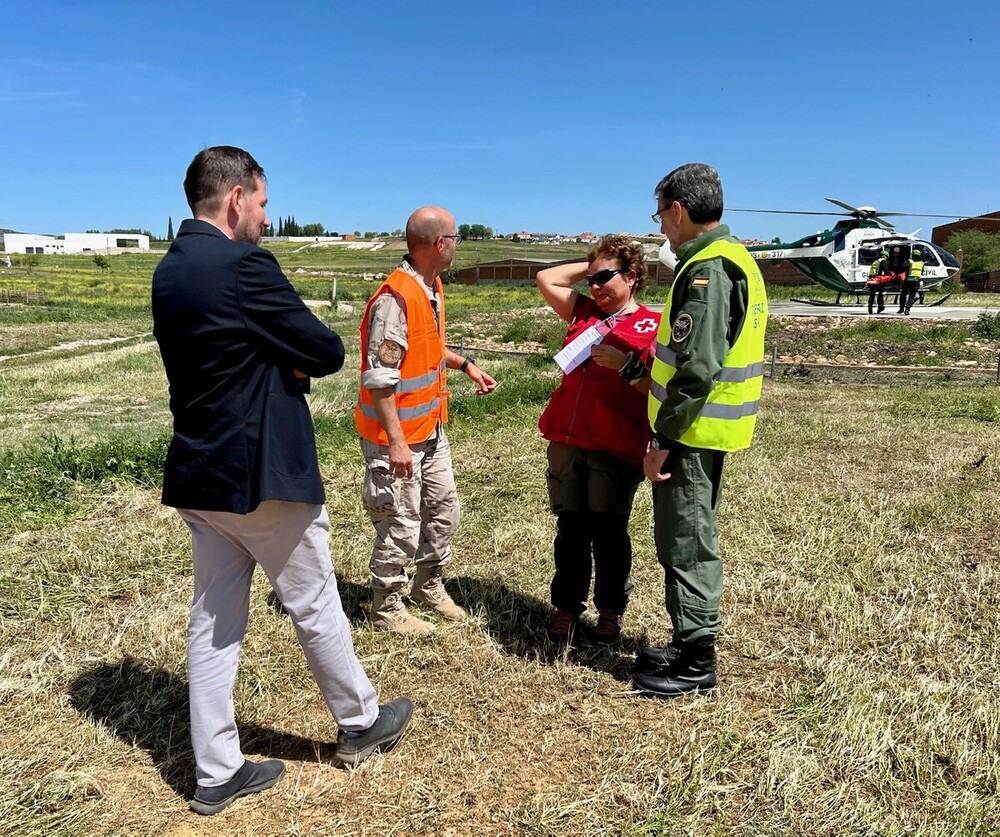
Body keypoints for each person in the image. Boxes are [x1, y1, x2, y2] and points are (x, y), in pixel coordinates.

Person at [152, 146, 412, 815]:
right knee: (315, 602)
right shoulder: (244, 264)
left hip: (200, 472)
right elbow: (325, 349)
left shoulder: (170, 269)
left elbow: (226, 353)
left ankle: (217, 769)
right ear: (236, 197)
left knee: (212, 621)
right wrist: (288, 364)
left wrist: (274, 359)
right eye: (263, 203)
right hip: (261, 473)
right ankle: (359, 721)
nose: (266, 217)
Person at [634, 163, 768, 698]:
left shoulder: (707, 271)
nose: (661, 226)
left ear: (679, 211)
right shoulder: (734, 259)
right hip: (704, 433)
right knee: (687, 536)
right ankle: (687, 640)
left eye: (661, 214)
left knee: (686, 543)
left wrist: (662, 443)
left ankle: (696, 660)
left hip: (689, 436)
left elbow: (696, 367)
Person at [355, 207, 497, 634]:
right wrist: (396, 443)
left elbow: (428, 349)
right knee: (400, 521)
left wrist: (466, 364)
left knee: (443, 510)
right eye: (456, 237)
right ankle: (385, 607)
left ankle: (428, 585)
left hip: (429, 431)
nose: (457, 245)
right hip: (395, 439)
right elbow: (379, 380)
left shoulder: (429, 288)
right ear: (440, 244)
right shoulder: (393, 300)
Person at [534, 235, 661, 644]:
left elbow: (661, 393)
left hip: (615, 446)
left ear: (633, 276)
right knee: (570, 531)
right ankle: (566, 609)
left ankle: (610, 611)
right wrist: (591, 265)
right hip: (568, 442)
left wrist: (628, 367)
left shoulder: (652, 326)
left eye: (606, 277)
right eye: (590, 279)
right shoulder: (583, 312)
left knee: (609, 534)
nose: (595, 287)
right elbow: (546, 278)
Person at [899, 247, 925, 315]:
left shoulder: (909, 261)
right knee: (912, 296)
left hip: (908, 280)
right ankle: (907, 308)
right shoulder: (922, 263)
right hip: (916, 281)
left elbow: (902, 267)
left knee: (903, 294)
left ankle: (901, 308)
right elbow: (921, 272)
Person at [866, 249, 889, 314]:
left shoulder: (875, 262)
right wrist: (890, 274)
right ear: (885, 256)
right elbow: (885, 269)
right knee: (880, 293)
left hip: (872, 279)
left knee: (872, 294)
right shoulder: (883, 261)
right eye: (887, 257)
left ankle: (870, 307)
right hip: (878, 279)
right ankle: (880, 307)